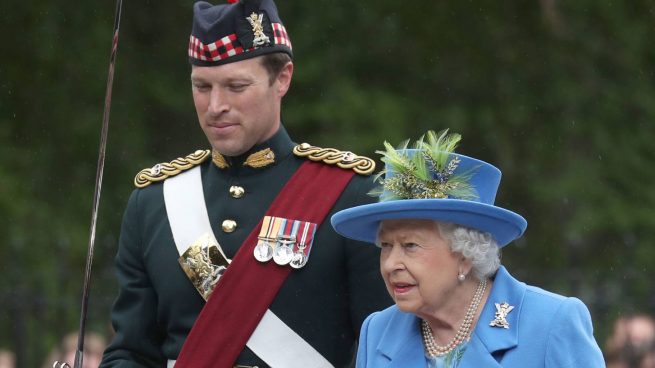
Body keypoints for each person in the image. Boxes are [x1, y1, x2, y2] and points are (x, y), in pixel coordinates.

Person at [100, 0, 390, 367]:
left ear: (282, 78)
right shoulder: (154, 203)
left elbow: (382, 347)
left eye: (236, 86)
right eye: (201, 86)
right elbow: (131, 351)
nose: (215, 105)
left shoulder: (350, 194)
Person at [331, 130, 606, 367]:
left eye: (410, 245)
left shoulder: (550, 323)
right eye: (386, 246)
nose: (391, 264)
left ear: (465, 254)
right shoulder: (378, 331)